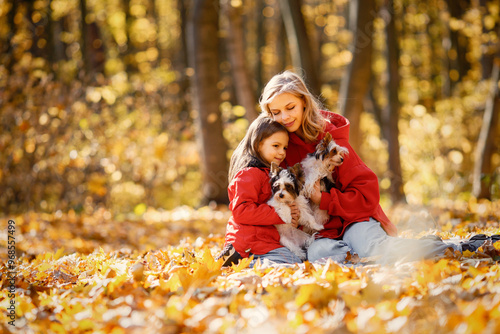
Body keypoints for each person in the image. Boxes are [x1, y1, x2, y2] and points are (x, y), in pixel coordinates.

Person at [259, 70, 496, 264]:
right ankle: (367, 260)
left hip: (355, 219)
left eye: (290, 108)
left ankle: (462, 246)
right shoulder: (277, 149)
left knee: (373, 248)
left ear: (303, 103)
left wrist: (325, 199)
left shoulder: (331, 142)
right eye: (276, 112)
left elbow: (367, 195)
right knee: (321, 256)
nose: (284, 117)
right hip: (322, 232)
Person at [218, 115, 305, 266]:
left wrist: (292, 217)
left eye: (284, 147)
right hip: (250, 242)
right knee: (291, 262)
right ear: (258, 145)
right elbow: (242, 211)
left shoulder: (270, 174)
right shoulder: (249, 174)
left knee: (297, 258)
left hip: (265, 240)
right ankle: (238, 261)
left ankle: (240, 260)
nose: (282, 152)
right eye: (276, 146)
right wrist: (280, 212)